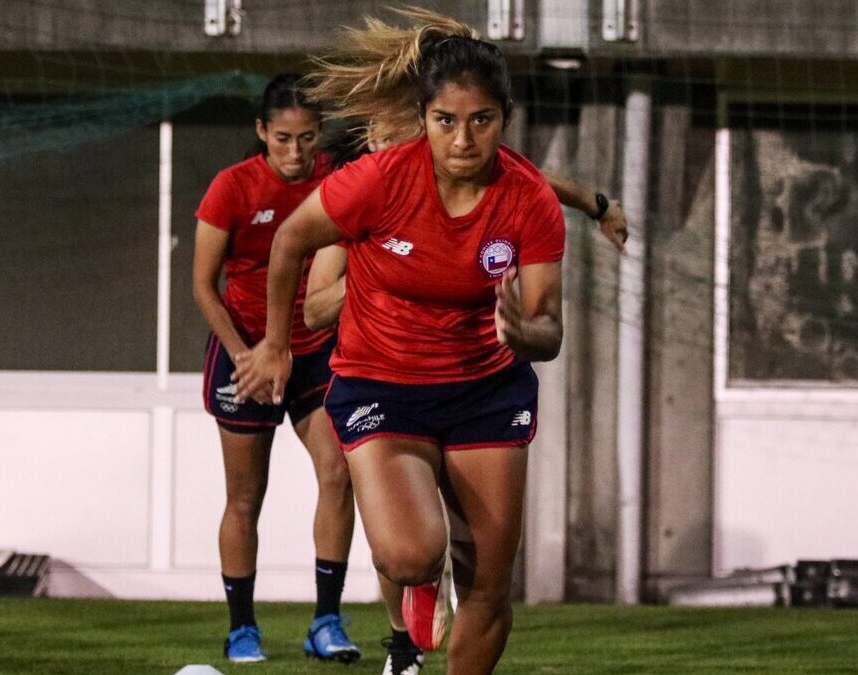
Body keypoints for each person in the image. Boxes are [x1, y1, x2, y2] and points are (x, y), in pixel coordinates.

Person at [234, 10, 573, 674]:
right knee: (410, 552)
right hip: (382, 383)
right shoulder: (380, 180)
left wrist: (526, 330)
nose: (464, 137)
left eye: (481, 120)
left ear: (504, 119)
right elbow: (289, 241)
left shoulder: (529, 199)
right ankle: (418, 585)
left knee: (489, 588)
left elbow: (549, 328)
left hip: (486, 391)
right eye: (447, 120)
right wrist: (277, 343)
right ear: (424, 119)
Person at [191, 73, 360, 664]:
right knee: (245, 497)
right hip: (246, 353)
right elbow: (203, 286)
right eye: (283, 138)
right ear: (262, 131)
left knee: (338, 474)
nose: (295, 152)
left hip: (313, 350)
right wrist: (247, 355)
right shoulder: (231, 187)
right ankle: (242, 629)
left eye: (308, 138)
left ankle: (326, 622)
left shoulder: (337, 183)